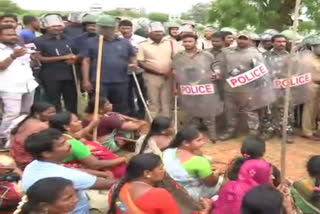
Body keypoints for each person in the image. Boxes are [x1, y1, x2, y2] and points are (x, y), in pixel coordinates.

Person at [22, 128, 115, 214]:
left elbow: (70, 170)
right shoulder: (64, 176)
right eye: (62, 144)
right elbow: (109, 184)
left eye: (66, 141)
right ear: (46, 153)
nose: (69, 144)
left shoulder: (33, 165)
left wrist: (101, 174)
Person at [217, 31, 275, 140]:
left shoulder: (255, 54)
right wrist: (218, 75)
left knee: (250, 111)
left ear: (249, 40)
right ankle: (230, 131)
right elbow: (222, 68)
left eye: (244, 38)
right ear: (236, 39)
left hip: (248, 89)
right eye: (240, 38)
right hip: (230, 87)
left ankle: (253, 133)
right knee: (230, 111)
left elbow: (260, 73)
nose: (242, 41)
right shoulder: (228, 53)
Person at [172, 34, 223, 142]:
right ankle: (192, 135)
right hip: (188, 88)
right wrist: (175, 87)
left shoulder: (207, 55)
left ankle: (212, 134)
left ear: (196, 42)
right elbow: (175, 73)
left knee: (208, 110)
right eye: (185, 42)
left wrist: (217, 73)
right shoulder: (178, 56)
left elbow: (216, 66)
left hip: (205, 87)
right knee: (191, 111)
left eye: (190, 41)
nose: (187, 44)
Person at [82, 15, 137, 115]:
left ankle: (119, 128)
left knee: (120, 107)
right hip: (99, 82)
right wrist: (86, 80)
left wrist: (133, 65)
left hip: (121, 81)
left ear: (112, 29)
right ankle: (101, 128)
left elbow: (132, 57)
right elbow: (86, 61)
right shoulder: (91, 42)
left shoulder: (124, 42)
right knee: (100, 107)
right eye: (100, 27)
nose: (100, 30)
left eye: (104, 28)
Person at [49, 111, 126, 178]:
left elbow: (79, 135)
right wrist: (122, 159)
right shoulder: (73, 144)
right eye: (76, 121)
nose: (80, 122)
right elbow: (96, 164)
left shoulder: (59, 136)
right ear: (66, 127)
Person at [0, 25, 39, 141]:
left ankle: (18, 138)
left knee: (25, 113)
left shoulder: (19, 47)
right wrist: (13, 56)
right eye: (8, 35)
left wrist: (34, 59)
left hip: (28, 85)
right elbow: (1, 66)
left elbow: (28, 66)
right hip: (10, 87)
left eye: (14, 34)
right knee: (12, 114)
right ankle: (3, 138)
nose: (12, 37)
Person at [163, 126, 223, 201]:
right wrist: (216, 174)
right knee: (222, 181)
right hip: (189, 195)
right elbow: (211, 183)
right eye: (199, 140)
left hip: (170, 190)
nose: (203, 142)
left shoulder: (167, 152)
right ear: (185, 143)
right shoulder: (200, 162)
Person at [108, 153, 181, 214]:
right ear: (147, 173)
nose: (164, 171)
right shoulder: (159, 194)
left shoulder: (116, 188)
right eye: (161, 168)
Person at [34, 14, 78, 113]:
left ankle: (72, 121)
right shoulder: (38, 41)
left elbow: (76, 54)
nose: (57, 28)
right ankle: (56, 122)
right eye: (53, 26)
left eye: (59, 26)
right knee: (53, 102)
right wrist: (64, 57)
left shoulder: (69, 39)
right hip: (50, 77)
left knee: (72, 101)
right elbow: (39, 58)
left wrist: (75, 59)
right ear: (46, 27)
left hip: (69, 76)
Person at [82, 97, 147, 152]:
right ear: (100, 110)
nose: (111, 104)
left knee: (119, 119)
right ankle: (129, 144)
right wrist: (143, 122)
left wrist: (134, 120)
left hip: (94, 141)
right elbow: (135, 126)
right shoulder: (107, 119)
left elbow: (115, 114)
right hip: (107, 145)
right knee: (130, 130)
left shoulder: (86, 117)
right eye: (108, 104)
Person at [137, 22, 174, 118]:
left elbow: (175, 59)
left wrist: (169, 71)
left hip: (168, 77)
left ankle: (167, 125)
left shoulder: (170, 43)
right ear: (149, 33)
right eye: (155, 31)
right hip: (151, 78)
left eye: (160, 31)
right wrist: (159, 72)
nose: (158, 33)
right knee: (154, 103)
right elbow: (140, 62)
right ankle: (155, 126)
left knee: (166, 102)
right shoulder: (142, 45)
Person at [10, 102, 56, 168]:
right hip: (27, 159)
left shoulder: (27, 119)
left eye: (54, 112)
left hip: (16, 155)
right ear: (37, 114)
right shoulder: (42, 126)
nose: (54, 115)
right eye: (49, 113)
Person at [118, 19, 147, 119]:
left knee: (141, 94)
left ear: (132, 29)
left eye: (128, 28)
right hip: (123, 72)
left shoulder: (141, 40)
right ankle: (130, 113)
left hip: (138, 72)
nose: (126, 31)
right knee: (127, 94)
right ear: (119, 29)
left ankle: (142, 113)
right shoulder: (116, 40)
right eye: (123, 28)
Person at [301, 35, 320, 141]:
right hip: (311, 85)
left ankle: (314, 129)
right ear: (314, 47)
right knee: (309, 109)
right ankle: (307, 131)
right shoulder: (307, 58)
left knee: (317, 110)